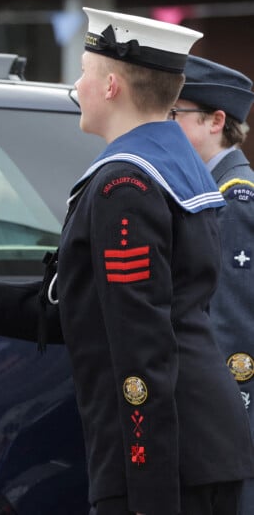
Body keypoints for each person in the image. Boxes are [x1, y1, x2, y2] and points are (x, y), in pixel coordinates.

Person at [0, 8, 254, 514]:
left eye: (83, 71)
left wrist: (147, 487)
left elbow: (142, 344)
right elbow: (80, 307)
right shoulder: (172, 165)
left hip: (165, 459)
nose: (75, 85)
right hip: (198, 443)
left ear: (110, 86)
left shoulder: (127, 183)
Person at [170, 55, 254, 515]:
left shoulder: (234, 197)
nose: (164, 126)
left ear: (216, 120)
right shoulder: (207, 188)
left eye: (174, 114)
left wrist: (228, 425)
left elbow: (233, 329)